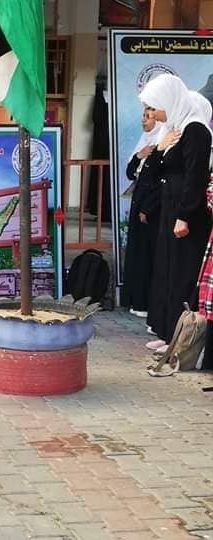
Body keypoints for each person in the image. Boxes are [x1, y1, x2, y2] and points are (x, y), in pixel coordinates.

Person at [139, 75, 212, 353]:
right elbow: (154, 172)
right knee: (165, 270)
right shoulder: (172, 130)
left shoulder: (195, 130)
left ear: (170, 101)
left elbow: (196, 177)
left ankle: (180, 337)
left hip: (186, 213)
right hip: (168, 210)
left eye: (155, 107)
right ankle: (165, 330)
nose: (153, 114)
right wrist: (159, 149)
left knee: (182, 272)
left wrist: (185, 215)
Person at [122, 109, 163, 317]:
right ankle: (134, 299)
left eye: (148, 117)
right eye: (143, 116)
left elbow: (158, 181)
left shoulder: (162, 143)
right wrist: (140, 155)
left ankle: (144, 301)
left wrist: (147, 207)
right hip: (139, 200)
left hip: (150, 206)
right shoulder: (145, 142)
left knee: (147, 253)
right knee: (136, 251)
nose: (143, 121)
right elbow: (131, 173)